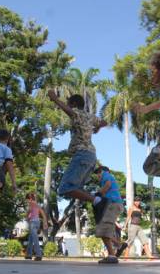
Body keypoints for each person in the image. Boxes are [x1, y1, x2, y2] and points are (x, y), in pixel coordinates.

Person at [47, 90, 108, 222]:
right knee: (76, 189)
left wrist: (54, 99)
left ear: (74, 103)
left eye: (70, 103)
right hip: (91, 157)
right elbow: (104, 122)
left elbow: (68, 110)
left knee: (64, 188)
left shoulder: (77, 113)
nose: (68, 105)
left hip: (82, 155)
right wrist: (97, 128)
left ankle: (97, 200)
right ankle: (97, 203)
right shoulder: (90, 116)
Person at [93, 166, 126, 264]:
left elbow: (107, 185)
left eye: (98, 172)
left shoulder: (106, 175)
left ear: (102, 171)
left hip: (113, 205)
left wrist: (98, 194)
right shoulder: (109, 177)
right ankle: (118, 246)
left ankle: (112, 255)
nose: (98, 175)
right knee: (102, 230)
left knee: (103, 229)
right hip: (113, 205)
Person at [24, 193, 48, 261]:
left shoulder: (31, 204)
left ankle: (38, 255)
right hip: (37, 222)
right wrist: (45, 222)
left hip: (33, 223)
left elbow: (28, 211)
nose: (27, 201)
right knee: (31, 239)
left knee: (35, 239)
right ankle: (28, 255)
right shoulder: (37, 204)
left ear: (30, 199)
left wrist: (27, 217)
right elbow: (42, 213)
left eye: (27, 200)